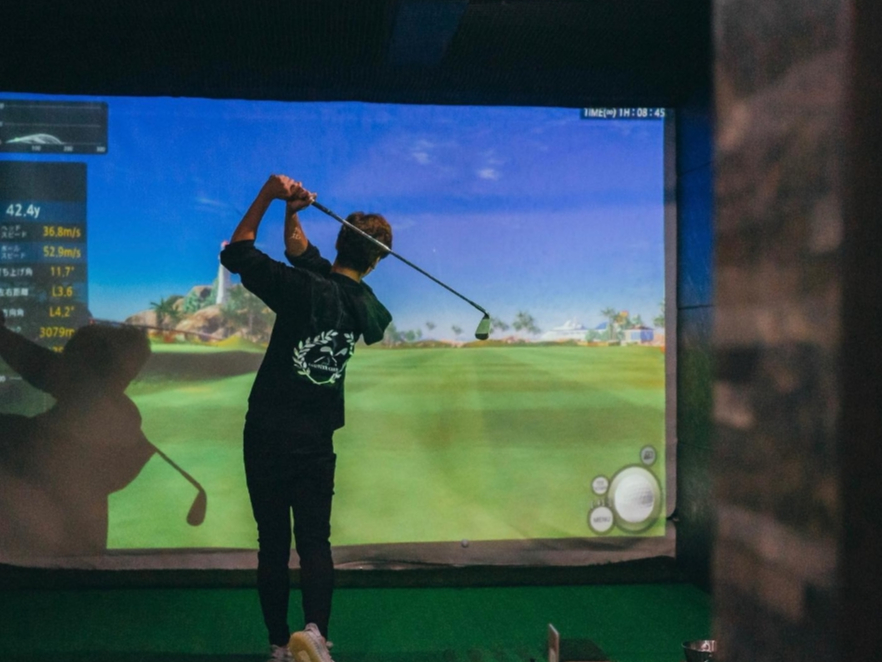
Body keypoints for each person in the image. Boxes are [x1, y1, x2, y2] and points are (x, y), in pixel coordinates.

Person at [219, 175, 393, 662]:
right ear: (375, 261)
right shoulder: (366, 305)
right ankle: (316, 634)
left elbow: (238, 250)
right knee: (315, 540)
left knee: (272, 544)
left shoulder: (299, 286)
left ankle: (279, 645)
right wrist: (291, 212)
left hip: (266, 433)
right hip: (316, 439)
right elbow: (302, 251)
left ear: (339, 243)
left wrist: (268, 195)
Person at [0, 313, 154, 559]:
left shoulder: (15, 438)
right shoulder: (125, 435)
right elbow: (50, 372)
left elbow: (46, 370)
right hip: (80, 573)